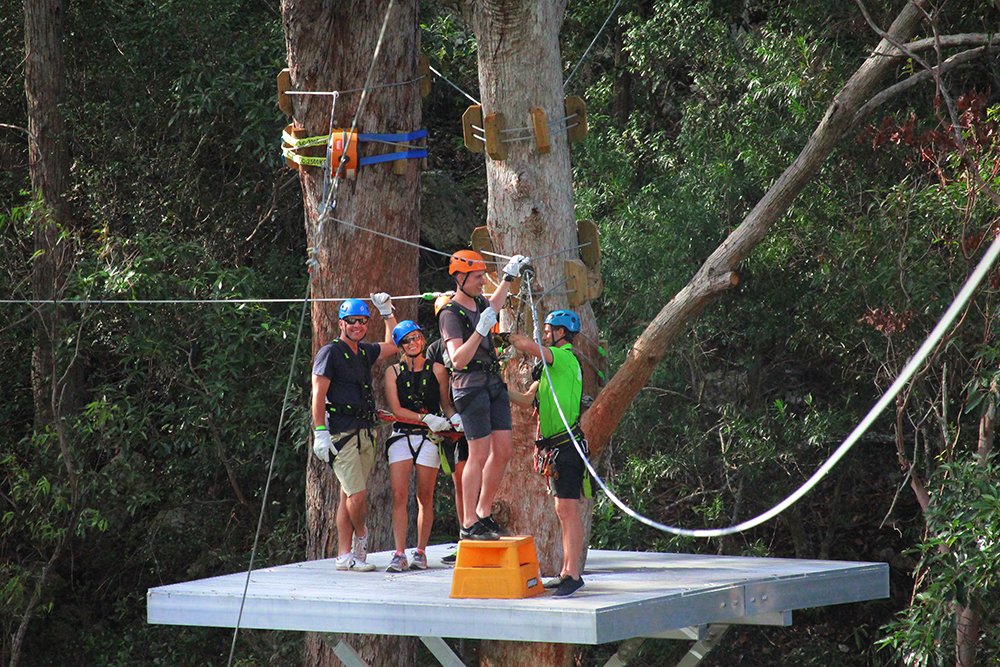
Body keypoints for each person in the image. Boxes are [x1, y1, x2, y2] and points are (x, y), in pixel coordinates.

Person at [438, 249, 529, 540]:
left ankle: (483, 512)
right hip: (469, 386)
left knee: (502, 450)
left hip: (492, 381)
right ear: (460, 278)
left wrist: (508, 276)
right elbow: (457, 360)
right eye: (478, 277)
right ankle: (467, 524)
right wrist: (479, 330)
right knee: (478, 453)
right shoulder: (450, 314)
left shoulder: (480, 302)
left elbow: (495, 302)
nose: (482, 281)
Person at [311, 293, 397, 572]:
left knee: (347, 494)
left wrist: (386, 313)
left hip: (364, 432)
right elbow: (318, 394)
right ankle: (362, 539)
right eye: (352, 321)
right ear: (341, 323)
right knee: (357, 496)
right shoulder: (330, 352)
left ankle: (343, 555)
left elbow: (394, 344)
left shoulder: (364, 351)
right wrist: (320, 431)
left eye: (362, 321)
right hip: (341, 433)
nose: (357, 326)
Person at [508, 309, 589, 597]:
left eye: (548, 330)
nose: (545, 335)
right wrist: (500, 386)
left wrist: (513, 338)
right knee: (563, 509)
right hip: (555, 446)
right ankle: (567, 570)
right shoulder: (548, 373)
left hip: (568, 445)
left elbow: (533, 348)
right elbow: (526, 400)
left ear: (561, 333)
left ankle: (573, 572)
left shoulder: (565, 358)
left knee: (567, 510)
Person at [382, 320, 457, 572]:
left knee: (425, 495)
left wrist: (452, 418)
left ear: (423, 340)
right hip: (403, 434)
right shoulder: (393, 372)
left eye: (416, 338)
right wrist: (424, 418)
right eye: (407, 341)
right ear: (400, 346)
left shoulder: (437, 370)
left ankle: (421, 551)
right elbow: (396, 409)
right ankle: (399, 552)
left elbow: (445, 403)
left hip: (430, 437)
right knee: (399, 495)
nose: (413, 343)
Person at [426, 295, 468, 564]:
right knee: (459, 482)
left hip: (472, 415)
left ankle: (474, 533)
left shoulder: (472, 341)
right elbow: (435, 388)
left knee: (471, 478)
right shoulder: (435, 350)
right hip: (451, 424)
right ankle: (465, 538)